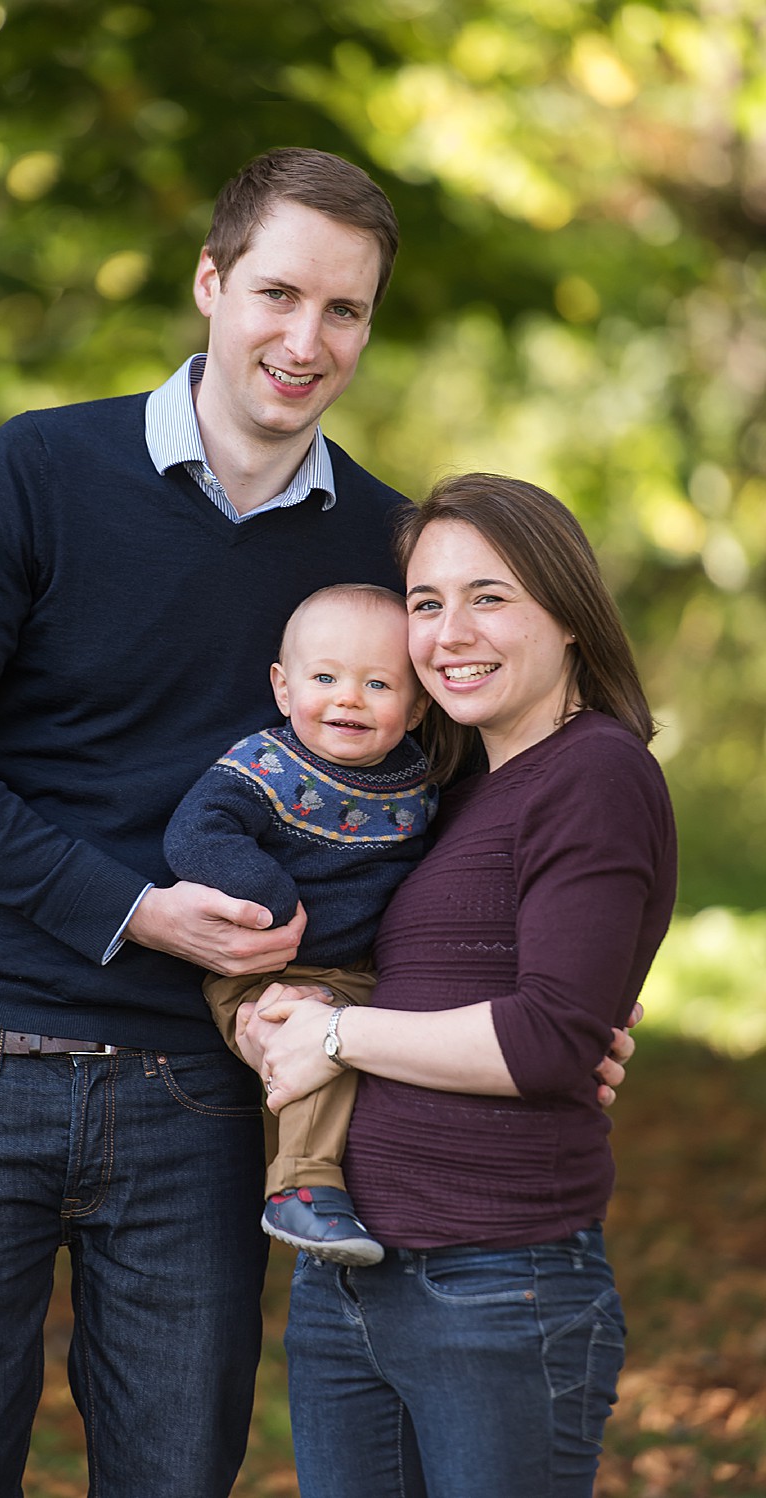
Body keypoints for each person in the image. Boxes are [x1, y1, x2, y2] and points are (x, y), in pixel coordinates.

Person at [0, 147, 634, 1494]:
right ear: (211, 282)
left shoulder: (389, 551)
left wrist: (551, 1007)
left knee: (177, 1471)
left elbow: (442, 820)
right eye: (278, 292)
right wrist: (135, 906)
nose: (305, 338)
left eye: (346, 311)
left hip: (214, 1085)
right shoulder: (42, 467)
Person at [246, 474, 675, 1497]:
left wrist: (337, 1035)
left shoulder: (595, 771)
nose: (446, 632)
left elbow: (543, 1040)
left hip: (495, 1283)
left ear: (567, 612)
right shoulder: (455, 788)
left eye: (488, 595)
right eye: (426, 602)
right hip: (351, 1274)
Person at [164, 583, 433, 1266]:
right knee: (318, 1037)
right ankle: (300, 1189)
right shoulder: (264, 765)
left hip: (362, 970)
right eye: (325, 678)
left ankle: (390, 1188)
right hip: (261, 967)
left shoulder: (421, 784)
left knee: (401, 1047)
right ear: (283, 689)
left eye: (378, 683)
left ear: (419, 704)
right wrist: (273, 899)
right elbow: (195, 834)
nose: (349, 698)